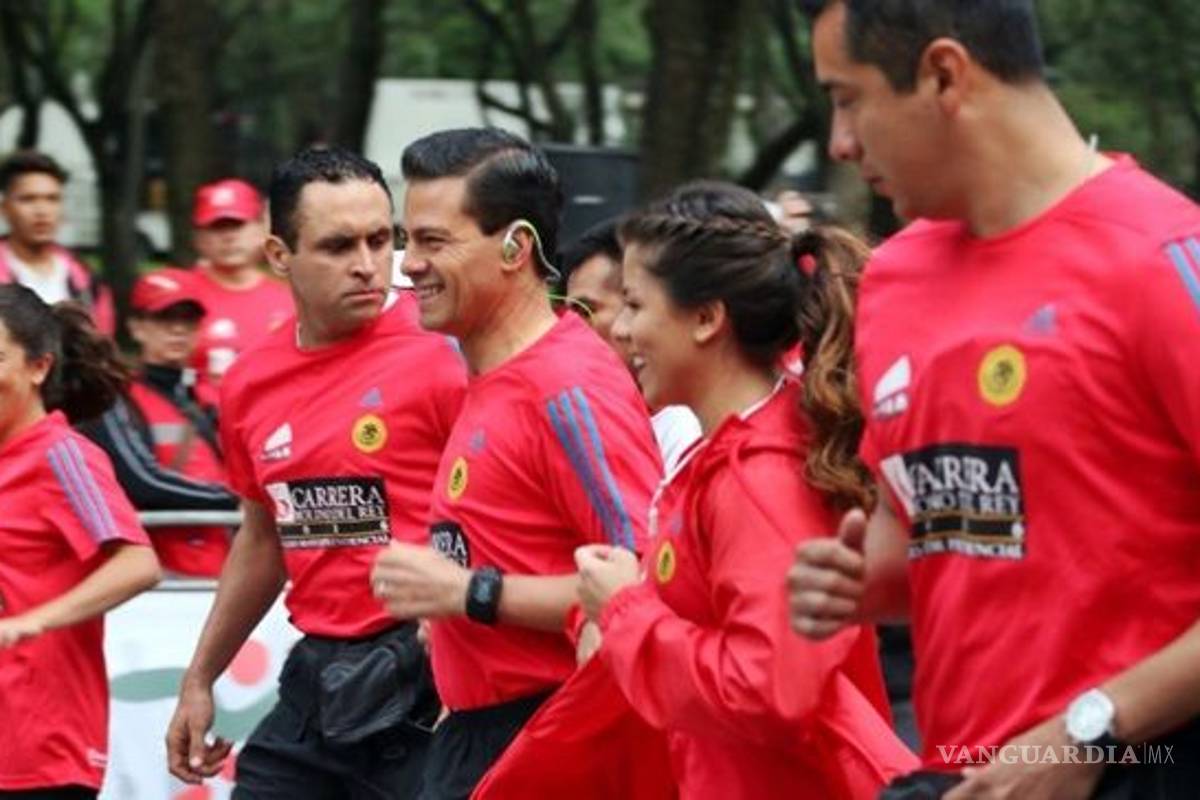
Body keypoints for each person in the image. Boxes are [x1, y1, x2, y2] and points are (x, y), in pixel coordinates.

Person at [789, 2, 1200, 798]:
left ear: (944, 74)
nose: (841, 142)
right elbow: (924, 535)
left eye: (848, 99)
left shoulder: (1161, 260)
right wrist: (860, 580)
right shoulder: (895, 280)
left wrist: (1092, 728)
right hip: (963, 773)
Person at [573, 181, 915, 798]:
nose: (619, 331)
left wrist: (624, 610)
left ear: (707, 319)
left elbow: (768, 688)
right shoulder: (742, 448)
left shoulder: (758, 474)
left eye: (633, 305)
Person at [165, 146, 467, 799]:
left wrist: (465, 638)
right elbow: (262, 536)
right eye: (336, 246)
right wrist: (199, 676)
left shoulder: (449, 347)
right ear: (280, 256)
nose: (366, 265)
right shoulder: (249, 382)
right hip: (318, 680)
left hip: (432, 679)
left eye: (380, 239)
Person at [370, 127, 662, 800]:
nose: (408, 264)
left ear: (516, 247)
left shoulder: (567, 388)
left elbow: (642, 587)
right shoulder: (486, 376)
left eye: (434, 241)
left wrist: (466, 594)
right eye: (407, 239)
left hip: (548, 738)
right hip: (476, 737)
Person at [0, 285, 161, 798]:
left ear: (38, 367)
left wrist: (34, 620)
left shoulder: (62, 456)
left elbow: (138, 562)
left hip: (41, 750)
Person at [79, 267, 238, 578]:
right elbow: (142, 483)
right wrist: (235, 499)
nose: (178, 330)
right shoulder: (114, 399)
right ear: (136, 328)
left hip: (225, 571)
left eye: (188, 319)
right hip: (157, 579)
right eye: (165, 319)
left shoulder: (216, 396)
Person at [560, 219, 701, 474]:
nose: (570, 327)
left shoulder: (684, 430)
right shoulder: (583, 416)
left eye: (586, 310)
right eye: (569, 312)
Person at [187, 178, 293, 386]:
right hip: (196, 414)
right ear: (198, 238)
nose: (229, 237)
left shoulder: (289, 299)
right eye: (217, 227)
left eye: (237, 225)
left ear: (261, 229)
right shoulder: (176, 297)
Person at [0, 151, 114, 335]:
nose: (42, 210)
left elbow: (102, 350)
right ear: (5, 208)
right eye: (28, 199)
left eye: (52, 199)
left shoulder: (86, 279)